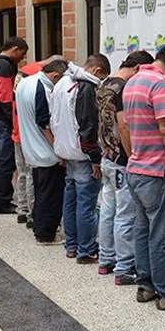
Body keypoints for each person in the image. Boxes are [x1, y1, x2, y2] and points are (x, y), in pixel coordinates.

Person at [122, 44, 165, 311]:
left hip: (137, 170)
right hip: (157, 172)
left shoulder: (134, 80)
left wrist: (135, 159)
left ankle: (147, 286)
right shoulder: (161, 84)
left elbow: (126, 127)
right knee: (162, 237)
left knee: (143, 232)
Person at [95, 50, 155, 283]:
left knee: (108, 210)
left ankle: (106, 259)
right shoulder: (123, 88)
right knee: (125, 215)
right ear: (139, 68)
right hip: (121, 159)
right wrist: (133, 158)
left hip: (107, 156)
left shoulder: (104, 84)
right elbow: (124, 127)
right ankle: (123, 267)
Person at [51, 54, 110, 263]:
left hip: (66, 150)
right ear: (96, 71)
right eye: (102, 77)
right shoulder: (85, 88)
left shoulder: (62, 83)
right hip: (83, 154)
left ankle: (72, 245)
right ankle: (86, 250)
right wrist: (95, 157)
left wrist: (60, 149)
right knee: (85, 203)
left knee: (71, 200)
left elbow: (54, 118)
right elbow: (87, 125)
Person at [16, 58, 69, 244]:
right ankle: (46, 235)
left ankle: (40, 228)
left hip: (32, 149)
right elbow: (44, 123)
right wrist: (59, 150)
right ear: (55, 76)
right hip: (46, 152)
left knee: (40, 192)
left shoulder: (25, 81)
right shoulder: (42, 89)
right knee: (50, 196)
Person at [0, 36, 28, 214]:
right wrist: (14, 120)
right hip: (3, 119)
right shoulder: (4, 65)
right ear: (15, 49)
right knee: (6, 163)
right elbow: (5, 96)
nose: (21, 59)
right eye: (21, 54)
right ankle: (2, 202)